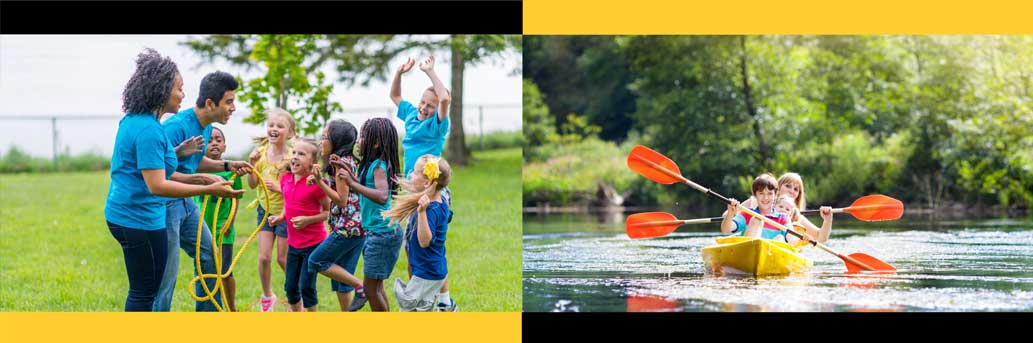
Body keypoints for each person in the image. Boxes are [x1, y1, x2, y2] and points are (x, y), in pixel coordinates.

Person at [105, 49, 243, 311]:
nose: (183, 94)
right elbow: (157, 184)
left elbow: (155, 162)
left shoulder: (142, 122)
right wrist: (207, 184)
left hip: (142, 211)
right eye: (179, 88)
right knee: (153, 289)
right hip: (144, 214)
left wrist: (186, 157)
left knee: (157, 282)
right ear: (161, 89)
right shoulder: (152, 129)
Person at [155, 71, 251, 312]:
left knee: (209, 257)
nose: (233, 108)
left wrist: (228, 166)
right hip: (166, 204)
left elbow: (195, 162)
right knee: (167, 277)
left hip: (187, 204)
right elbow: (161, 175)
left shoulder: (206, 126)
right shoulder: (175, 128)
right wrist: (205, 183)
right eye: (229, 102)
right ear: (210, 103)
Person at [389, 55, 456, 311]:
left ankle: (443, 301)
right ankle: (420, 297)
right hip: (413, 189)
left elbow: (445, 99)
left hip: (432, 190)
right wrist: (399, 73)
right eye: (423, 103)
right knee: (412, 246)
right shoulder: (411, 117)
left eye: (430, 105)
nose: (424, 108)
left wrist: (430, 72)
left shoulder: (438, 125)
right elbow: (395, 97)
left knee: (431, 246)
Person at [339, 117, 402, 311]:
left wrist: (352, 184)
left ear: (375, 143)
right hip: (376, 232)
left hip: (382, 234)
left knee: (369, 288)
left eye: (363, 136)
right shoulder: (371, 164)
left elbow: (382, 196)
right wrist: (349, 173)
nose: (359, 140)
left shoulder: (378, 168)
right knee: (376, 286)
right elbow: (365, 187)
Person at [306, 119, 368, 312]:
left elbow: (342, 200)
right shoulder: (344, 162)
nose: (321, 141)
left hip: (348, 228)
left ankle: (362, 287)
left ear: (336, 141)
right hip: (358, 227)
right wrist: (324, 179)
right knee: (341, 283)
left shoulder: (341, 166)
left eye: (325, 137)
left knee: (316, 261)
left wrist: (319, 182)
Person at [382, 155, 454, 311]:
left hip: (427, 273)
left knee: (407, 310)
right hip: (432, 271)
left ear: (427, 183)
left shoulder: (429, 210)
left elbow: (425, 241)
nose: (410, 176)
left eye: (414, 173)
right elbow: (448, 216)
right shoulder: (440, 200)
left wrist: (421, 213)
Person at [268, 138, 329, 312]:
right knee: (290, 287)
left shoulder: (316, 185)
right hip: (293, 244)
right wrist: (281, 218)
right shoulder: (285, 179)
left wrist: (307, 220)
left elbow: (327, 212)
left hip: (313, 244)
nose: (295, 157)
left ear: (312, 162)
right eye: (293, 152)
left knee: (306, 286)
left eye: (301, 154)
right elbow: (289, 203)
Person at [247, 109, 296, 312]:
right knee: (264, 257)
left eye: (280, 126)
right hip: (265, 211)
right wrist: (251, 165)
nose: (274, 129)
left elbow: (298, 189)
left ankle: (297, 293)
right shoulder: (260, 155)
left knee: (282, 258)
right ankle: (268, 296)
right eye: (271, 125)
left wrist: (279, 188)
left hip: (286, 212)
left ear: (290, 133)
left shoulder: (293, 156)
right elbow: (252, 184)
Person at [193, 127, 244, 311]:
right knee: (205, 270)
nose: (214, 143)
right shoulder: (195, 171)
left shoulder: (232, 173)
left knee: (224, 271)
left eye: (218, 140)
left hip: (223, 229)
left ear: (224, 146)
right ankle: (209, 306)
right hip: (201, 228)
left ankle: (231, 308)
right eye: (210, 140)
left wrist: (230, 222)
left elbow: (236, 199)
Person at [741, 172, 833, 243]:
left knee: (781, 238)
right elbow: (729, 216)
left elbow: (821, 237)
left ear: (798, 195)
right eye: (788, 186)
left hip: (779, 251)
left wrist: (827, 220)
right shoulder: (755, 201)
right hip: (752, 244)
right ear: (777, 188)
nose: (792, 191)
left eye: (796, 189)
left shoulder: (797, 217)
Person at [720, 174, 794, 242]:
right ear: (755, 195)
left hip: (770, 253)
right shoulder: (747, 214)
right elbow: (725, 230)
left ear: (776, 195)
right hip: (748, 251)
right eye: (761, 193)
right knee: (757, 220)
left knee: (780, 238)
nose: (766, 198)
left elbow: (792, 239)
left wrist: (800, 240)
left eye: (770, 193)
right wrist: (730, 214)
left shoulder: (783, 218)